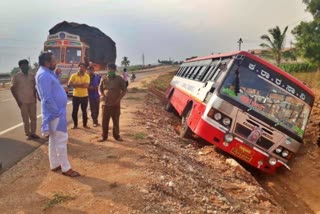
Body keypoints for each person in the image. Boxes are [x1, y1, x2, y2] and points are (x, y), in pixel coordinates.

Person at [36, 52, 80, 177]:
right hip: (54, 114)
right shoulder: (44, 75)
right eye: (54, 60)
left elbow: (52, 86)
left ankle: (54, 164)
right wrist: (56, 112)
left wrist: (57, 75)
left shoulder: (47, 73)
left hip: (55, 112)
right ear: (47, 62)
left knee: (54, 139)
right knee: (61, 139)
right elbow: (46, 97)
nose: (56, 63)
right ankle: (66, 168)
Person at [11, 59, 40, 140]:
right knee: (25, 119)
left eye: (26, 65)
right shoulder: (17, 76)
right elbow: (12, 88)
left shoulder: (32, 76)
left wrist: (35, 98)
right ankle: (28, 134)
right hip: (22, 102)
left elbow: (35, 88)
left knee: (34, 118)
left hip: (32, 101)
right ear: (20, 67)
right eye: (23, 66)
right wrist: (18, 101)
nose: (25, 67)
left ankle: (33, 133)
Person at [98, 64, 127, 142]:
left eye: (112, 69)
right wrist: (102, 95)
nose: (110, 71)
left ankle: (117, 136)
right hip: (105, 104)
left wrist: (119, 99)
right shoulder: (103, 78)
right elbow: (99, 88)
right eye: (109, 69)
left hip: (115, 104)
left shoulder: (119, 79)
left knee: (116, 121)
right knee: (104, 121)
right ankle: (104, 136)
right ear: (107, 69)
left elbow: (124, 90)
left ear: (115, 70)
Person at [68, 63, 90, 129]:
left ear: (85, 69)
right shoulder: (73, 75)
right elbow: (69, 84)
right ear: (78, 68)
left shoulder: (87, 76)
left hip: (84, 96)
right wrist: (81, 84)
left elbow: (86, 86)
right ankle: (75, 125)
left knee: (84, 111)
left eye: (83, 67)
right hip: (76, 96)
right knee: (74, 111)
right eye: (80, 67)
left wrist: (76, 84)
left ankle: (85, 125)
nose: (81, 68)